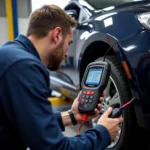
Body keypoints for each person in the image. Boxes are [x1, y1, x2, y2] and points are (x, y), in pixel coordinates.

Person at [0, 4, 123, 150]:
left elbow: (29, 124)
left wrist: (72, 115)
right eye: (69, 43)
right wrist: (103, 133)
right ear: (57, 34)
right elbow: (53, 147)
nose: (66, 54)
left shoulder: (11, 54)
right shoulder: (25, 66)